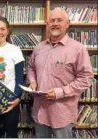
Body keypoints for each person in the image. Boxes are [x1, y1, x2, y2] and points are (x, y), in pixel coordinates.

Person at [27, 7, 94, 138]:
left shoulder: (78, 49)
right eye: (52, 20)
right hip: (39, 111)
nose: (55, 23)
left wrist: (60, 92)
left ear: (67, 23)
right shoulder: (39, 47)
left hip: (62, 114)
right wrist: (33, 81)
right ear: (47, 24)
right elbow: (30, 67)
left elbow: (86, 78)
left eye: (59, 20)